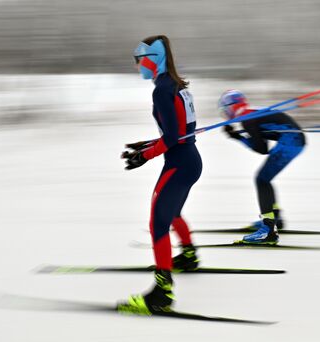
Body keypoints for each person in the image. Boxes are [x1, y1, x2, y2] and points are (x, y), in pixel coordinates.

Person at [118, 35, 202, 315]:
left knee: (158, 224)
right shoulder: (175, 85)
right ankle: (189, 256)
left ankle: (161, 294)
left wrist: (144, 156)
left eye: (138, 59)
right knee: (172, 212)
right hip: (190, 161)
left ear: (153, 59)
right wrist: (146, 145)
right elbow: (179, 132)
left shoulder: (162, 89)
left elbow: (172, 136)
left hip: (178, 164)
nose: (136, 65)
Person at [218, 89, 306, 244]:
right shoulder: (250, 113)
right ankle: (275, 219)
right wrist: (240, 135)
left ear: (230, 107)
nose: (225, 114)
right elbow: (263, 140)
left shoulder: (247, 118)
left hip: (291, 141)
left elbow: (261, 149)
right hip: (293, 139)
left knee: (262, 180)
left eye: (224, 110)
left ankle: (268, 229)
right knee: (265, 179)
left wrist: (237, 137)